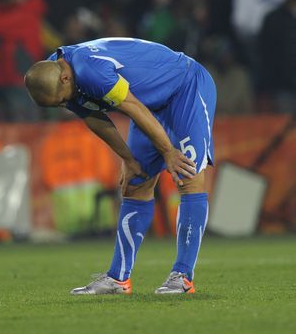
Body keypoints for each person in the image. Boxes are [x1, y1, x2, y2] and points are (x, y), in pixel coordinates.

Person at [24, 37, 216, 294]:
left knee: (187, 174)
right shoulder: (53, 73)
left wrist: (169, 152)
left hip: (186, 88)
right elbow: (93, 117)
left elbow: (133, 108)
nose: (62, 105)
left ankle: (183, 276)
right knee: (136, 184)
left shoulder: (91, 72)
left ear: (65, 79)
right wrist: (128, 159)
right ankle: (118, 279)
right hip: (149, 105)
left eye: (61, 100)